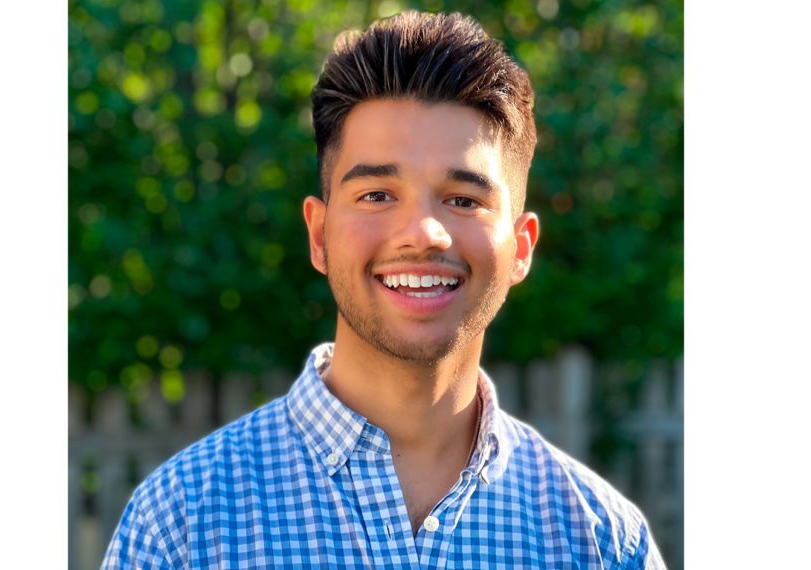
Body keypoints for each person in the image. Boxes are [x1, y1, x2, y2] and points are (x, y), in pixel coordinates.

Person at [102, 10, 665, 569]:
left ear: (521, 247)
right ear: (318, 235)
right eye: (376, 195)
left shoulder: (604, 543)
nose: (423, 233)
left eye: (464, 199)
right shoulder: (181, 525)